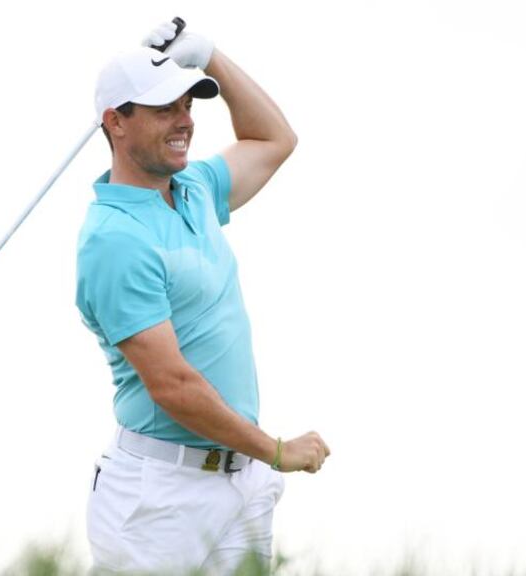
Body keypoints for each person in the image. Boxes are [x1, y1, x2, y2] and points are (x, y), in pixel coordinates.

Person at [76, 20, 331, 575]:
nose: (185, 122)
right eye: (164, 109)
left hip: (237, 488)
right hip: (158, 502)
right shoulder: (114, 240)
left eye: (188, 105)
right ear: (116, 122)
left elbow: (274, 140)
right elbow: (172, 386)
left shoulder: (192, 191)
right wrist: (276, 450)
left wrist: (212, 56)